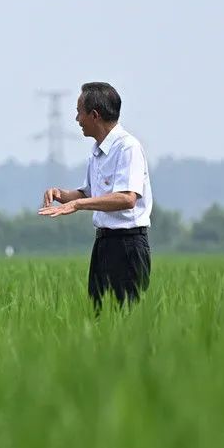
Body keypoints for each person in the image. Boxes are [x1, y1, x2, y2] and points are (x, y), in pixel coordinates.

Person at [38, 82, 153, 312]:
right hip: (103, 244)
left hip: (128, 245)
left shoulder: (127, 147)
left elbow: (127, 198)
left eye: (79, 112)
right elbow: (89, 193)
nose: (76, 119)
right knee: (99, 315)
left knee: (126, 317)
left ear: (94, 115)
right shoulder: (97, 151)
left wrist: (78, 204)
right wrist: (62, 195)